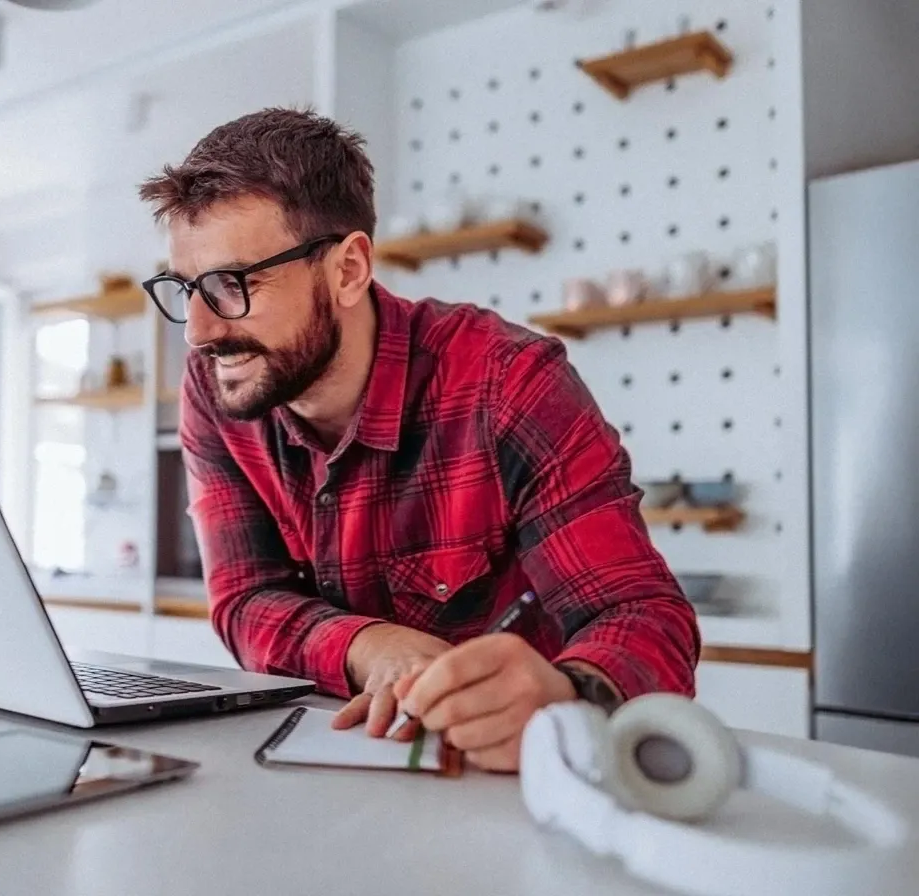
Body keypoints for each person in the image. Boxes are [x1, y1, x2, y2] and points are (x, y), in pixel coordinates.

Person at [137, 108, 699, 772]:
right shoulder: (220, 385)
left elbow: (642, 614)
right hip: (335, 768)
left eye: (233, 285)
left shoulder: (510, 383)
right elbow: (244, 600)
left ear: (347, 270)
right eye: (184, 288)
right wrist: (371, 645)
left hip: (515, 779)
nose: (198, 333)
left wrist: (570, 692)